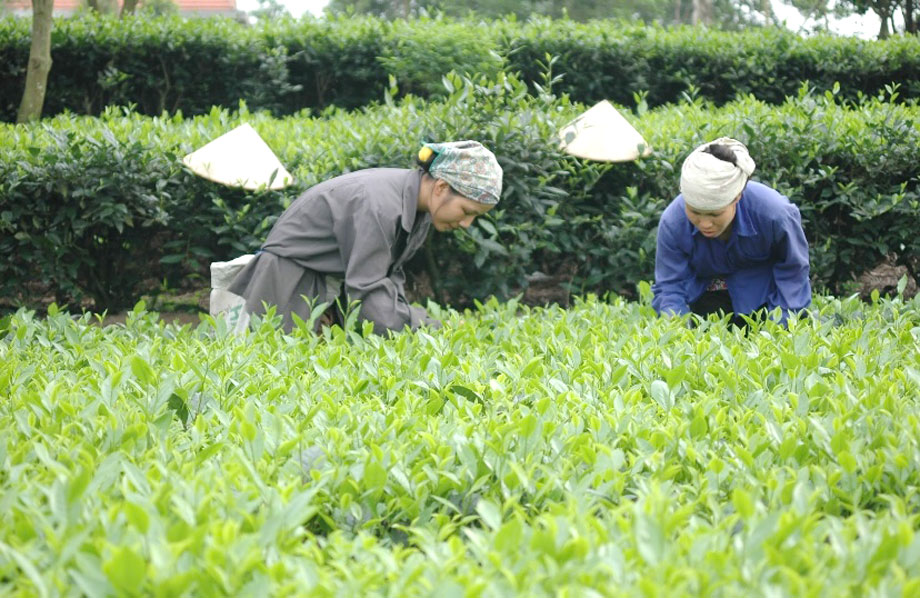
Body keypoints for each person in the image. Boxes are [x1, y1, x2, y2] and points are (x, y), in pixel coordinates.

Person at [227, 140, 503, 334]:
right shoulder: (379, 204)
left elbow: (387, 278)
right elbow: (368, 288)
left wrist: (415, 321)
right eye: (467, 211)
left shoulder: (417, 211)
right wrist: (428, 328)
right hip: (290, 284)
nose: (467, 223)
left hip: (324, 284)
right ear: (442, 187)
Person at [652, 137, 811, 326]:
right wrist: (678, 330)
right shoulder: (673, 221)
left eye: (714, 214)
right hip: (705, 306)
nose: (704, 224)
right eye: (694, 212)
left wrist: (779, 327)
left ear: (737, 197)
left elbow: (793, 272)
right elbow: (670, 286)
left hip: (765, 301)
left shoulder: (775, 215)